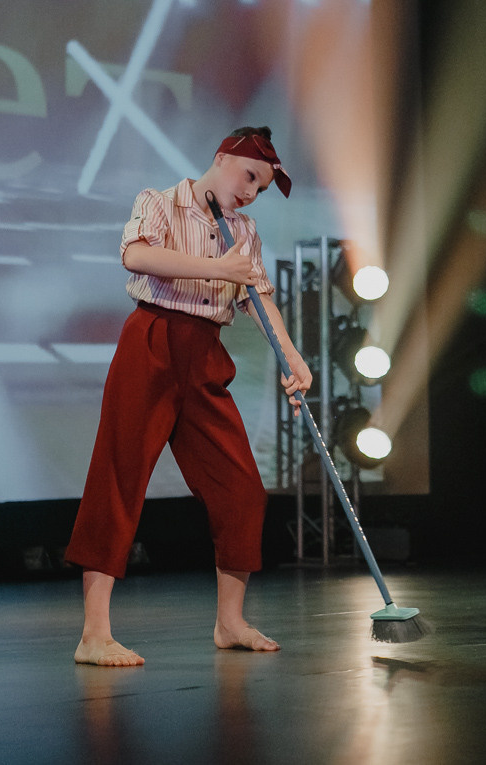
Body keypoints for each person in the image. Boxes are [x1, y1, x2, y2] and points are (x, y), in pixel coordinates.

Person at [65, 126, 312, 666]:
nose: (250, 192)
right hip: (151, 342)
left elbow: (257, 298)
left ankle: (230, 622)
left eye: (261, 188)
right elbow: (135, 256)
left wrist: (291, 357)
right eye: (249, 176)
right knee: (119, 477)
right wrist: (217, 268)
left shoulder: (243, 231)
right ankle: (94, 633)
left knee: (242, 487)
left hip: (203, 352)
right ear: (222, 158)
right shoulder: (159, 202)